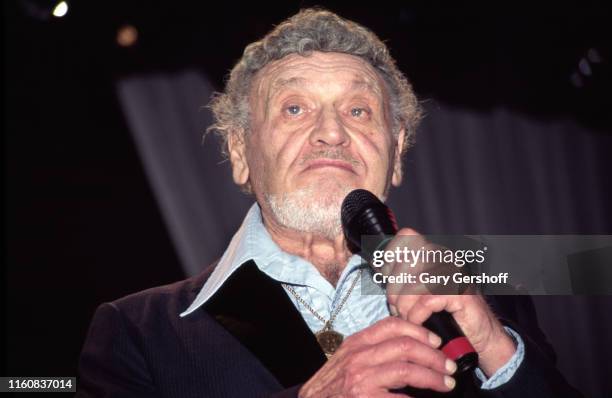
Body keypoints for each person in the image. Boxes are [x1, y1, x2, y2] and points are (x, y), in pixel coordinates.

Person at [77, 8, 582, 397]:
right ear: (239, 154)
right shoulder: (139, 331)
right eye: (295, 108)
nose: (332, 133)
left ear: (397, 152)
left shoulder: (493, 300)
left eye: (358, 110)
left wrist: (494, 347)